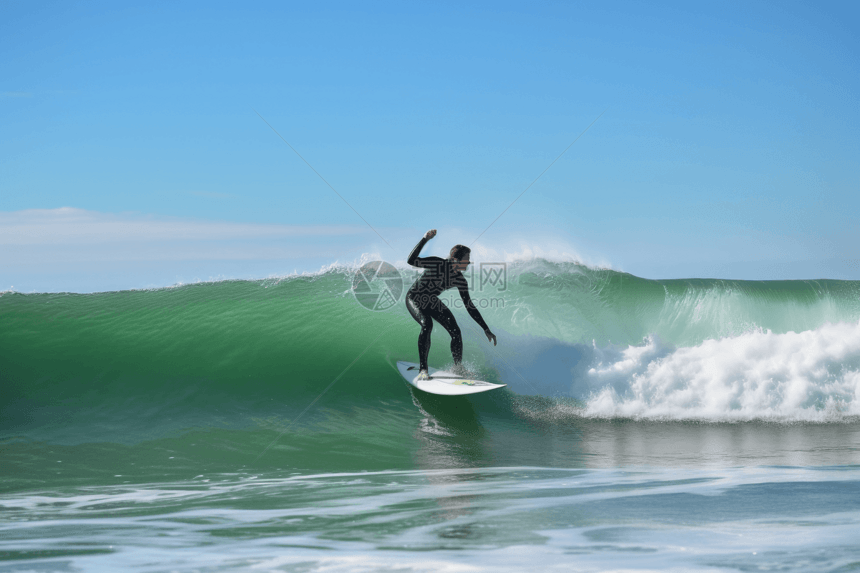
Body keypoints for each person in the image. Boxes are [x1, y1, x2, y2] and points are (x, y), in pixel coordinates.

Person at [405, 229, 497, 380]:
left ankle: (457, 369)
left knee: (455, 331)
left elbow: (469, 306)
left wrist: (485, 329)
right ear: (455, 260)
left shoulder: (460, 280)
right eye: (467, 259)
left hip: (431, 300)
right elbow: (411, 261)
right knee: (427, 324)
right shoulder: (438, 263)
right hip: (415, 297)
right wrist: (425, 239)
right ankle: (423, 370)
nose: (468, 262)